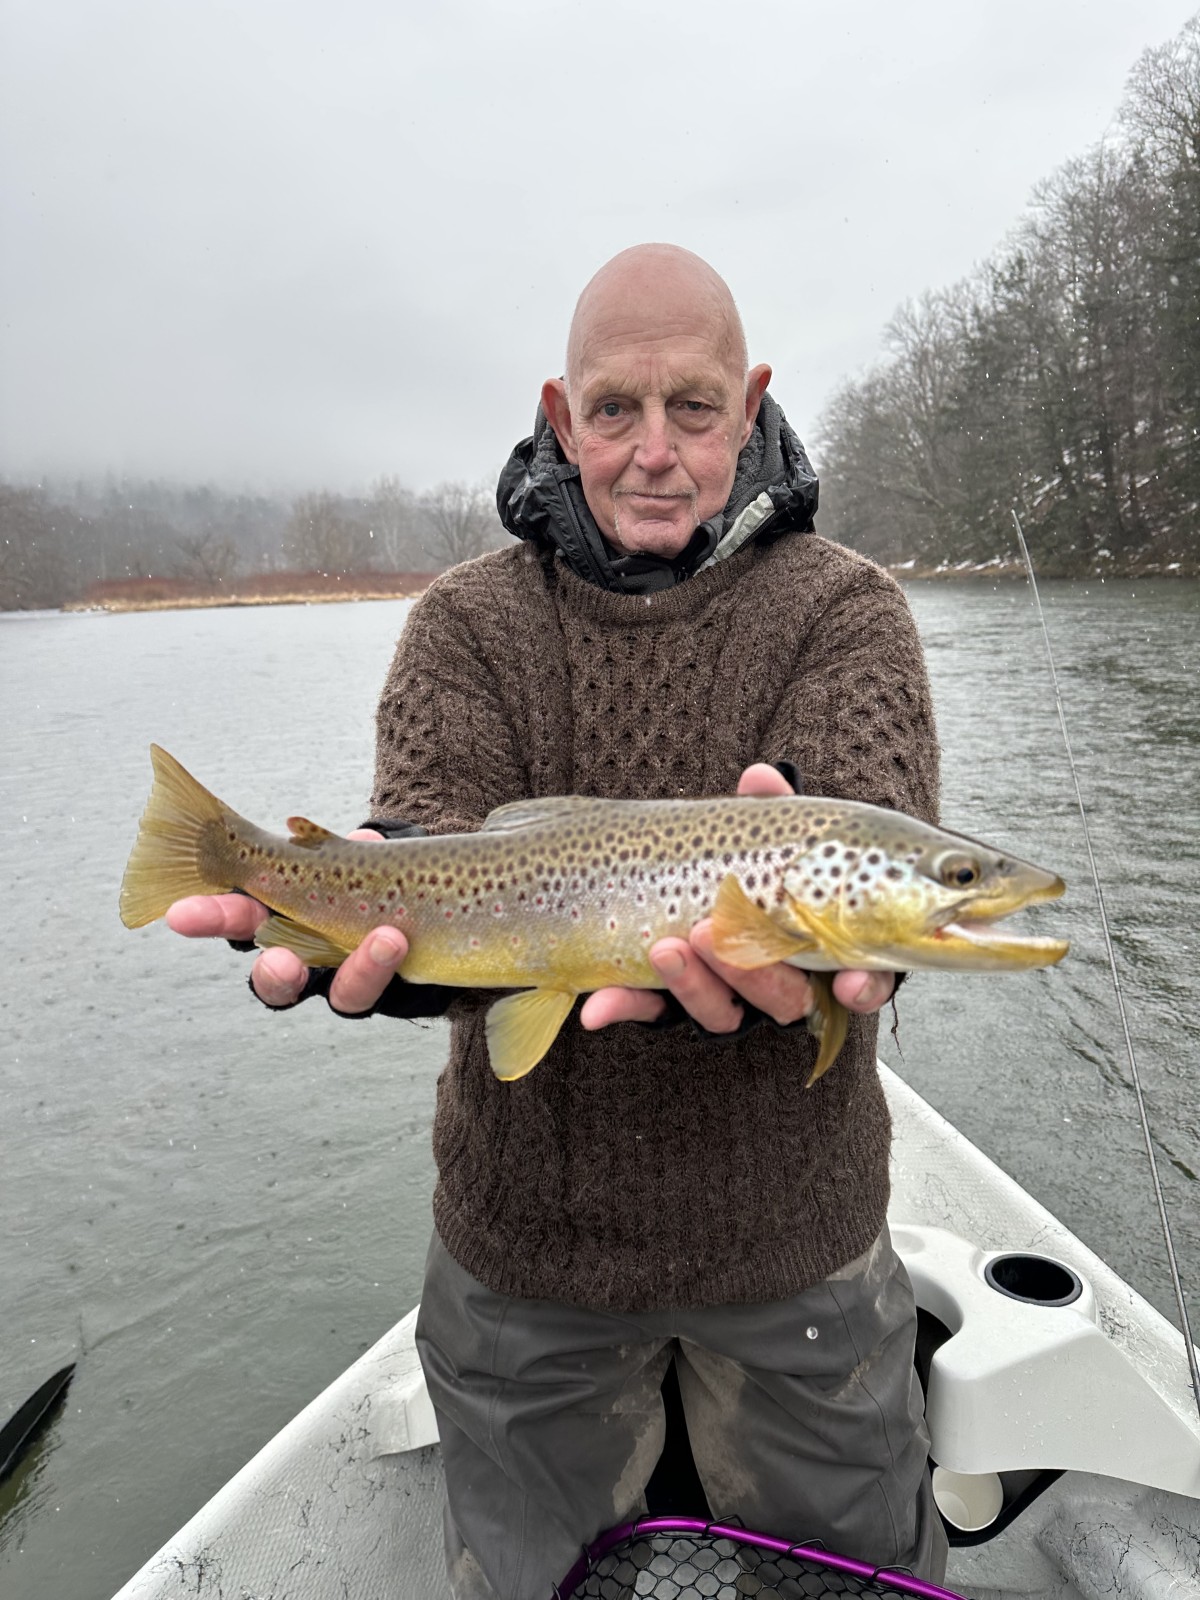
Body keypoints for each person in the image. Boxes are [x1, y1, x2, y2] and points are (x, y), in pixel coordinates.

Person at [168, 244, 947, 1597]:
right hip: (523, 1250)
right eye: (614, 410)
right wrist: (356, 917)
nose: (655, 451)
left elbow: (867, 834)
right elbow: (419, 842)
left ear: (752, 400)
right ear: (558, 409)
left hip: (797, 1242)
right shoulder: (463, 624)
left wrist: (828, 924)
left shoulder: (848, 611)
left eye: (694, 408)